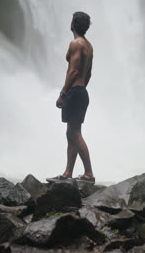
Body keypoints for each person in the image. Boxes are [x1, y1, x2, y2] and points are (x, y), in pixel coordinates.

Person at [47, 12, 95, 184]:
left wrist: (64, 93)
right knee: (71, 133)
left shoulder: (76, 43)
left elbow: (73, 71)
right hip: (81, 91)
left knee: (74, 133)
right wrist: (80, 90)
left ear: (73, 23)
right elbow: (88, 73)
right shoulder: (89, 46)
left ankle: (89, 173)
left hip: (74, 91)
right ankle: (68, 172)